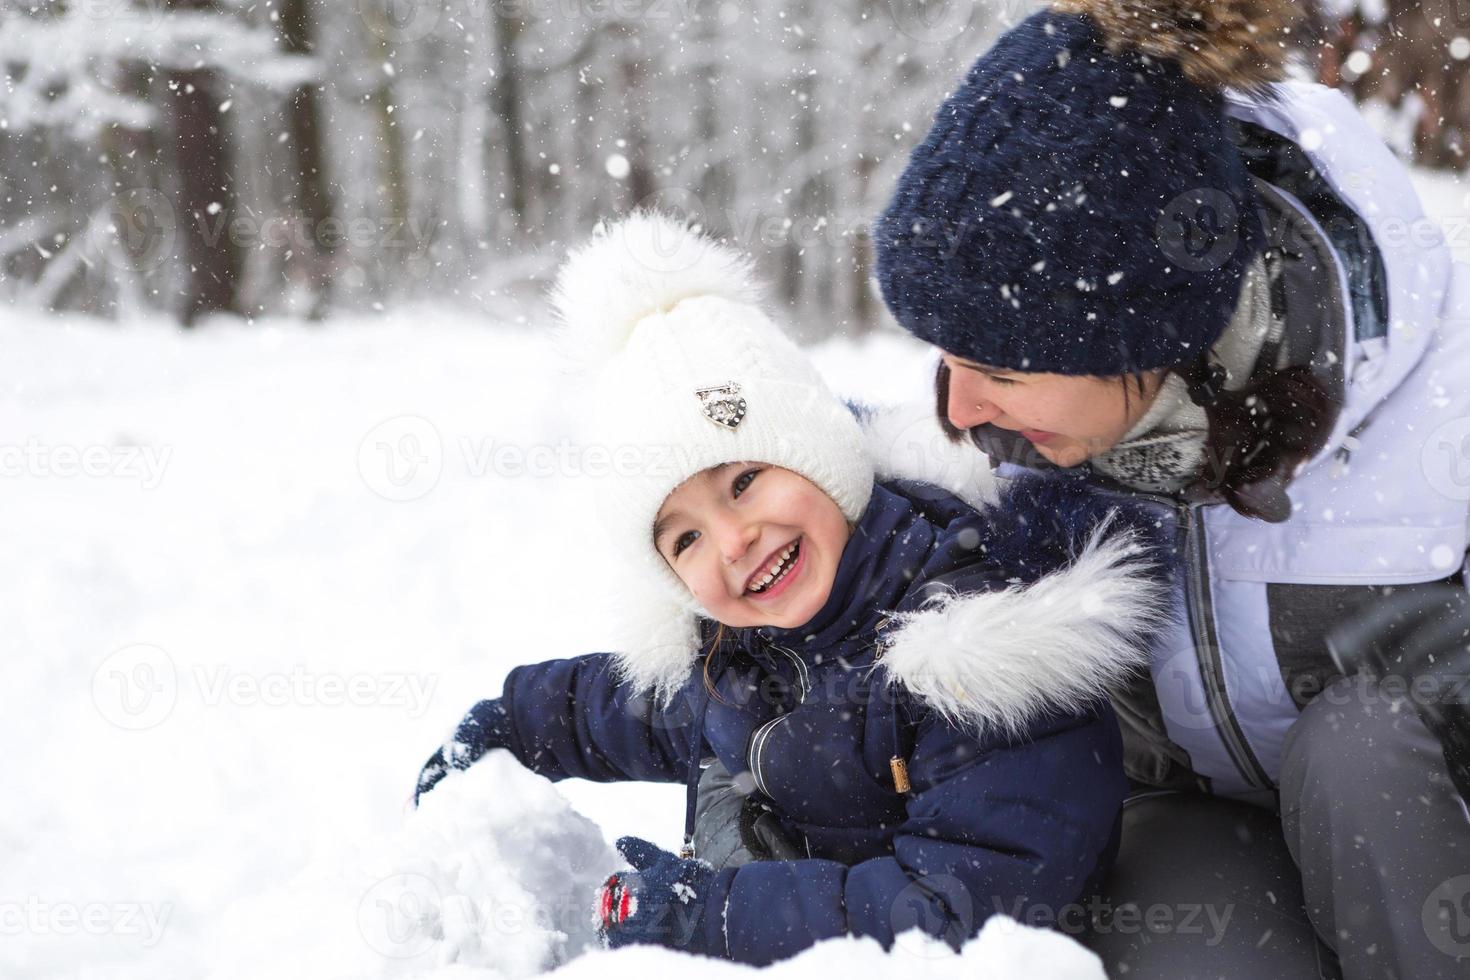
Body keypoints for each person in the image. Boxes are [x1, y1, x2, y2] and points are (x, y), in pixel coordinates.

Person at [867, 0, 1470, 977]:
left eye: (1005, 368)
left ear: (1154, 340)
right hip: (1194, 822)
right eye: (947, 353)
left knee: (1363, 756)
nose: (958, 400)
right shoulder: (1012, 437)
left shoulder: (1445, 395)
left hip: (1423, 840)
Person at [412, 213, 1176, 965]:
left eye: (744, 481)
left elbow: (952, 914)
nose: (732, 539)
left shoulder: (977, 650)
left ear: (824, 456)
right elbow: (629, 710)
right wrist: (510, 721)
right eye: (685, 538)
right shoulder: (747, 651)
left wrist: (708, 919)